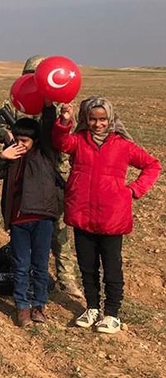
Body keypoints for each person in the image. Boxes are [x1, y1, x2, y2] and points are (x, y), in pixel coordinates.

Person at [54, 97, 161, 333]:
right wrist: (64, 121)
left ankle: (112, 314)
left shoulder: (122, 145)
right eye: (92, 118)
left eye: (102, 119)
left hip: (112, 217)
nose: (97, 124)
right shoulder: (79, 141)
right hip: (82, 214)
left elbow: (152, 165)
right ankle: (92, 307)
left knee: (112, 268)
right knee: (87, 266)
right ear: (85, 119)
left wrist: (134, 189)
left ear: (110, 119)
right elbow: (61, 142)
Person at [0, 55, 83, 299]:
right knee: (23, 228)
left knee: (58, 233)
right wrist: (7, 136)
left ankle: (66, 280)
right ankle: (26, 275)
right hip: (21, 176)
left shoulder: (58, 105)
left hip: (52, 177)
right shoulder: (17, 103)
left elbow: (67, 138)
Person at [0, 107, 62, 328]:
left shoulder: (45, 153)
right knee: (20, 265)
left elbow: (48, 127)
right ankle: (22, 307)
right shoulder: (11, 155)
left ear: (35, 141)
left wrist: (48, 104)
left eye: (25, 141)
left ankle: (39, 305)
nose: (20, 144)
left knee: (39, 264)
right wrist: (1, 156)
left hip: (42, 218)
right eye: (17, 139)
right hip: (19, 220)